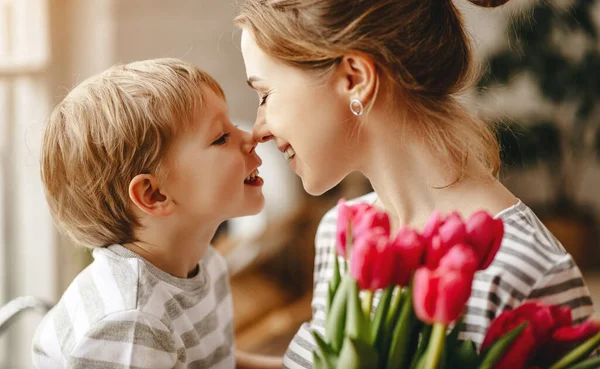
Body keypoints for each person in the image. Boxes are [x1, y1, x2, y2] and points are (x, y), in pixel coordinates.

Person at [235, 0, 596, 368]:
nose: (259, 129)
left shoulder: (525, 273)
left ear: (354, 78)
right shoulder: (343, 234)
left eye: (265, 95)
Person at [32, 58, 266, 369]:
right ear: (154, 195)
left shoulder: (206, 264)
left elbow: (214, 361)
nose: (251, 138)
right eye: (221, 137)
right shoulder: (130, 322)